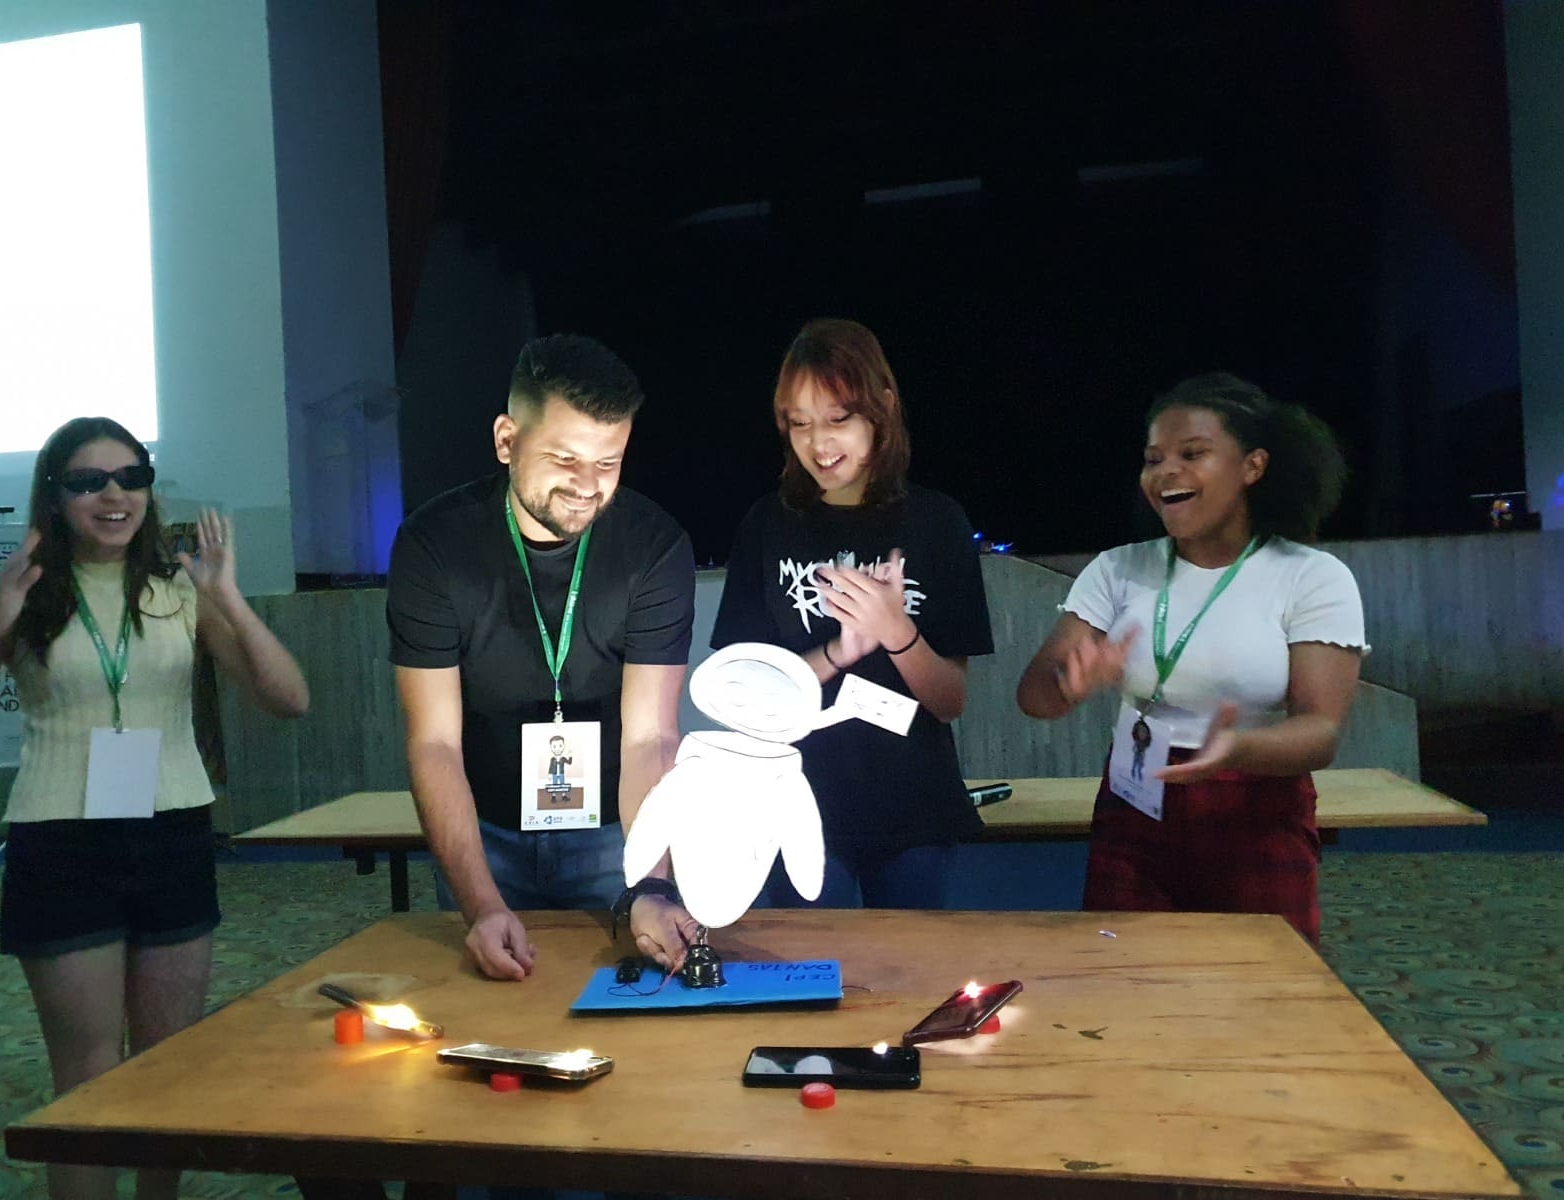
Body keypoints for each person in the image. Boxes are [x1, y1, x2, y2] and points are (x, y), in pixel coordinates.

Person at [0, 416, 309, 1200]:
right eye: (88, 482)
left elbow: (290, 699)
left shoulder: (180, 591)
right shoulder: (21, 595)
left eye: (131, 476)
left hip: (173, 835)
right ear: (55, 497)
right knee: (86, 1076)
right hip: (61, 841)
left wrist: (229, 598)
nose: (113, 494)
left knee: (168, 1067)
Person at [387, 333, 698, 980]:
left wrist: (651, 886)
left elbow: (650, 736)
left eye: (608, 462)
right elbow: (434, 742)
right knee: (491, 1009)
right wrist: (480, 904)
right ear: (507, 440)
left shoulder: (654, 547)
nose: (588, 486)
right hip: (484, 831)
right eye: (565, 458)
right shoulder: (434, 546)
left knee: (628, 1000)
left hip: (614, 832)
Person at [1015, 372, 1366, 945]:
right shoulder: (1118, 568)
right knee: (1125, 979)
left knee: (1262, 983)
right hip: (1133, 802)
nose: (1165, 472)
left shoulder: (1310, 576)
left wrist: (1238, 750)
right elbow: (1033, 697)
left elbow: (1321, 731)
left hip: (1255, 806)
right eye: (1153, 459)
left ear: (1252, 466)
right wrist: (1069, 685)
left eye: (1192, 454)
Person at [710, 318, 994, 909]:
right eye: (800, 423)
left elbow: (950, 701)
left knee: (909, 962)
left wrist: (897, 632)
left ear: (882, 409)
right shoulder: (766, 526)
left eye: (838, 419)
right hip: (795, 801)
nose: (819, 443)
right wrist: (839, 652)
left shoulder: (937, 523)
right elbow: (748, 699)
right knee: (812, 962)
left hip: (915, 807)